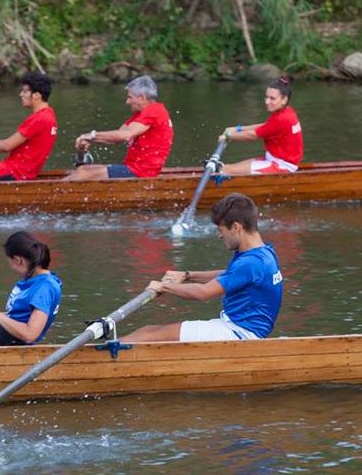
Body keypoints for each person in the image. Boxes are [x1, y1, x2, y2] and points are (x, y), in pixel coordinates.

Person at [121, 193, 282, 343]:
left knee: (149, 334)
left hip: (239, 333)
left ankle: (101, 357)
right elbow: (230, 275)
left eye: (221, 230)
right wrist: (187, 275)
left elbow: (203, 293)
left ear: (235, 227)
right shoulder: (264, 252)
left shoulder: (250, 262)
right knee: (150, 332)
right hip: (240, 329)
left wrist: (164, 286)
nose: (220, 236)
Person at [64, 75, 174, 180]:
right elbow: (118, 136)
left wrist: (92, 135)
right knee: (83, 169)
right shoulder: (144, 113)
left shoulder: (153, 112)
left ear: (142, 98)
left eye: (130, 97)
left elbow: (125, 136)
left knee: (84, 173)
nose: (127, 102)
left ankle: (51, 194)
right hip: (135, 169)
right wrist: (88, 140)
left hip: (140, 172)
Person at [218, 75, 303, 175]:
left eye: (272, 98)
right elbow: (265, 127)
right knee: (226, 168)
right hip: (273, 160)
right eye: (266, 97)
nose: (267, 102)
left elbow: (252, 135)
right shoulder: (287, 111)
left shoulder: (282, 119)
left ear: (284, 99)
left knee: (226, 170)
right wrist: (238, 129)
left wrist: (228, 136)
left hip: (281, 166)